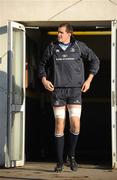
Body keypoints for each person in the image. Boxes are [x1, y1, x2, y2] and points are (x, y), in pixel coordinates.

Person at [39, 23, 100, 172]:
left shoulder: (79, 46)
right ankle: (59, 162)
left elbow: (95, 60)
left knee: (75, 124)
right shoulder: (52, 47)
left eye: (61, 32)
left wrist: (89, 80)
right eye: (58, 32)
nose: (58, 35)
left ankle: (71, 156)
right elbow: (41, 65)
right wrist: (44, 80)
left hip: (75, 91)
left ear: (69, 34)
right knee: (59, 125)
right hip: (58, 91)